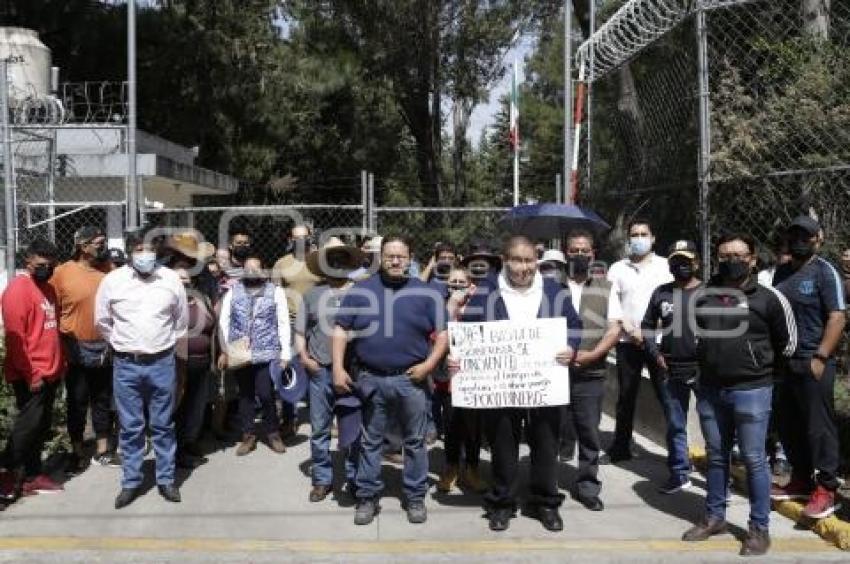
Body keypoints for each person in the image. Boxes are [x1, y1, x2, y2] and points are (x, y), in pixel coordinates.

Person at [454, 235, 582, 532]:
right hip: (502, 386)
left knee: (546, 445)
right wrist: (459, 358)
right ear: (505, 259)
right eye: (516, 260)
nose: (523, 267)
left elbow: (574, 325)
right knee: (503, 446)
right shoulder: (486, 292)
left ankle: (545, 502)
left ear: (536, 261)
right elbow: (468, 333)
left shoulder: (554, 290)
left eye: (528, 260)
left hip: (544, 383)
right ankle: (502, 503)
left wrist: (571, 347)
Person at [682, 232, 796, 557]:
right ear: (717, 259)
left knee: (754, 459)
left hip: (753, 390)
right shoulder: (703, 295)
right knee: (716, 456)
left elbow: (787, 343)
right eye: (725, 255)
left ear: (753, 258)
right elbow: (693, 335)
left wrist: (763, 372)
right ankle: (714, 517)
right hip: (711, 390)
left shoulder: (768, 298)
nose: (732, 261)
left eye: (739, 255)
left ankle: (759, 529)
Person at [333, 235, 448, 526]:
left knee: (415, 442)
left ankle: (415, 497)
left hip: (412, 380)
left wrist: (429, 365)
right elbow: (339, 330)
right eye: (389, 256)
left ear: (410, 259)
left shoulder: (427, 293)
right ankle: (367, 497)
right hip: (371, 379)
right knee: (371, 442)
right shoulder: (361, 290)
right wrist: (337, 368)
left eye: (401, 256)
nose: (395, 261)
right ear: (380, 258)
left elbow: (444, 335)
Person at [95, 229, 189, 509]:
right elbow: (102, 321)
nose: (144, 254)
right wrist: (125, 344)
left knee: (162, 425)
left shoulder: (171, 279)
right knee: (131, 426)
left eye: (149, 249)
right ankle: (131, 482)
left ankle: (166, 479)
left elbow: (180, 322)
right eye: (138, 249)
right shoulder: (112, 281)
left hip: (162, 363)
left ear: (157, 252)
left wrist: (160, 345)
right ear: (129, 251)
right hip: (126, 365)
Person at [770, 216, 846, 519]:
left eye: (806, 236)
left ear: (819, 238)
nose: (800, 241)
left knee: (819, 428)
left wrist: (821, 357)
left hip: (814, 362)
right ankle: (801, 479)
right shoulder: (782, 271)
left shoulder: (825, 273)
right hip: (784, 363)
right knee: (789, 423)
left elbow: (837, 317)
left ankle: (827, 488)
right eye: (795, 235)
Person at [297, 237, 364, 502]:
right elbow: (300, 330)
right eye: (331, 259)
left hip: (354, 370)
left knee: (353, 428)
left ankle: (355, 478)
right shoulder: (312, 294)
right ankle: (322, 479)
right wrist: (303, 357)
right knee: (319, 428)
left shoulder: (362, 292)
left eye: (341, 259)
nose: (337, 264)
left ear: (349, 263)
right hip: (320, 369)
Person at [0, 239, 66, 500]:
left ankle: (32, 475)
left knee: (40, 426)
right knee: (26, 427)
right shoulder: (18, 290)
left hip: (51, 370)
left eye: (51, 263)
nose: (47, 267)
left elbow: (50, 329)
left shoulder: (47, 288)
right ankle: (6, 473)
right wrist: (32, 374)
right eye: (41, 263)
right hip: (31, 373)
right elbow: (16, 340)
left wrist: (59, 365)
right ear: (28, 261)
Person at [605, 218, 674, 462]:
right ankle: (620, 447)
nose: (639, 239)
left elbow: (673, 302)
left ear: (653, 238)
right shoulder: (617, 269)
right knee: (626, 397)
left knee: (667, 397)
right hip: (627, 342)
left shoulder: (666, 267)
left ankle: (676, 451)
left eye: (644, 234)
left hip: (659, 342)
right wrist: (628, 327)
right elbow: (612, 304)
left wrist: (649, 329)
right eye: (634, 234)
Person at [49, 226, 118, 473]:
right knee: (77, 401)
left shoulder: (109, 270)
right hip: (74, 347)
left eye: (104, 242)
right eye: (98, 242)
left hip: (104, 347)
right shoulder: (62, 273)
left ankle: (103, 450)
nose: (103, 246)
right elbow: (49, 306)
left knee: (102, 399)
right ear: (83, 245)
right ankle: (77, 452)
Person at [562, 230, 620, 512]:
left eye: (585, 250)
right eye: (574, 250)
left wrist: (594, 355)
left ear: (593, 254)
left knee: (589, 433)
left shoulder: (607, 288)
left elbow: (614, 328)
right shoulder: (550, 287)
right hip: (554, 374)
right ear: (565, 253)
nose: (580, 255)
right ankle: (545, 486)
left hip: (591, 372)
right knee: (550, 432)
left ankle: (587, 486)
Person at [641, 240, 703, 494]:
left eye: (686, 261)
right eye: (676, 261)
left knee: (713, 425)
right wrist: (654, 353)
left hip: (703, 371)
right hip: (669, 368)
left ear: (696, 263)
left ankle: (720, 476)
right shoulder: (661, 292)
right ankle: (679, 472)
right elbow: (647, 325)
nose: (681, 266)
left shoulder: (709, 293)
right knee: (675, 424)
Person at [217, 255, 291, 456]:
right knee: (245, 394)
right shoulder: (233, 292)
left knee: (266, 394)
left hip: (266, 352)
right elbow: (224, 322)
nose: (251, 272)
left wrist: (285, 354)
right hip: (240, 352)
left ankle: (272, 432)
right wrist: (225, 349)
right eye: (248, 268)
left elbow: (283, 322)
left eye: (255, 268)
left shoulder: (275, 292)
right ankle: (248, 435)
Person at [435, 265, 485, 494]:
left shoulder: (481, 307)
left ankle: (473, 468)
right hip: (448, 380)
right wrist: (451, 307)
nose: (456, 286)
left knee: (474, 427)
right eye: (452, 282)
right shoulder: (439, 307)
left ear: (471, 286)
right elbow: (435, 335)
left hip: (475, 379)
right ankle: (452, 467)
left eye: (461, 283)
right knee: (451, 427)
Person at [272, 223, 320, 438]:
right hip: (291, 322)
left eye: (304, 237)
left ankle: (323, 417)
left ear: (310, 237)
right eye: (296, 237)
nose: (300, 241)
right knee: (290, 369)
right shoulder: (282, 263)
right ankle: (289, 419)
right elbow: (274, 294)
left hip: (317, 323)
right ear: (290, 239)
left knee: (320, 367)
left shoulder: (319, 259)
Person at [173, 266, 216, 469]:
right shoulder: (169, 302)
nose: (184, 281)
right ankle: (177, 451)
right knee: (179, 407)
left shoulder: (202, 299)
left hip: (203, 362)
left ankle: (189, 442)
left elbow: (213, 328)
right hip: (179, 363)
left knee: (196, 407)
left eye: (186, 278)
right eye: (179, 278)